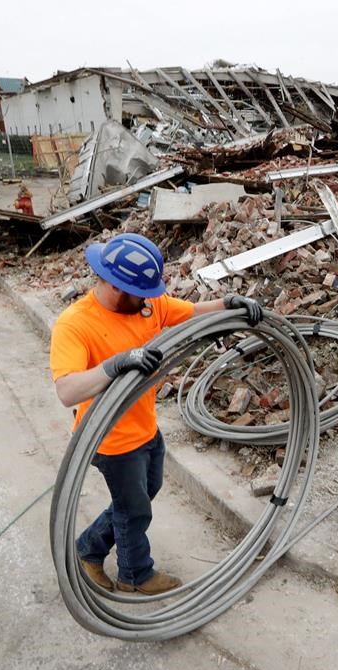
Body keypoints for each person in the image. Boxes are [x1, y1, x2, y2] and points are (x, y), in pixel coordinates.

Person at [49, 233, 262, 595]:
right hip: (110, 440)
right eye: (142, 295)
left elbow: (192, 313)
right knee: (134, 510)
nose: (151, 302)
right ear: (118, 288)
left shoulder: (146, 306)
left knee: (146, 491)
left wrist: (229, 303)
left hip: (146, 427)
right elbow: (67, 390)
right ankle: (135, 574)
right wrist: (115, 365)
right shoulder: (76, 324)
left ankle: (89, 547)